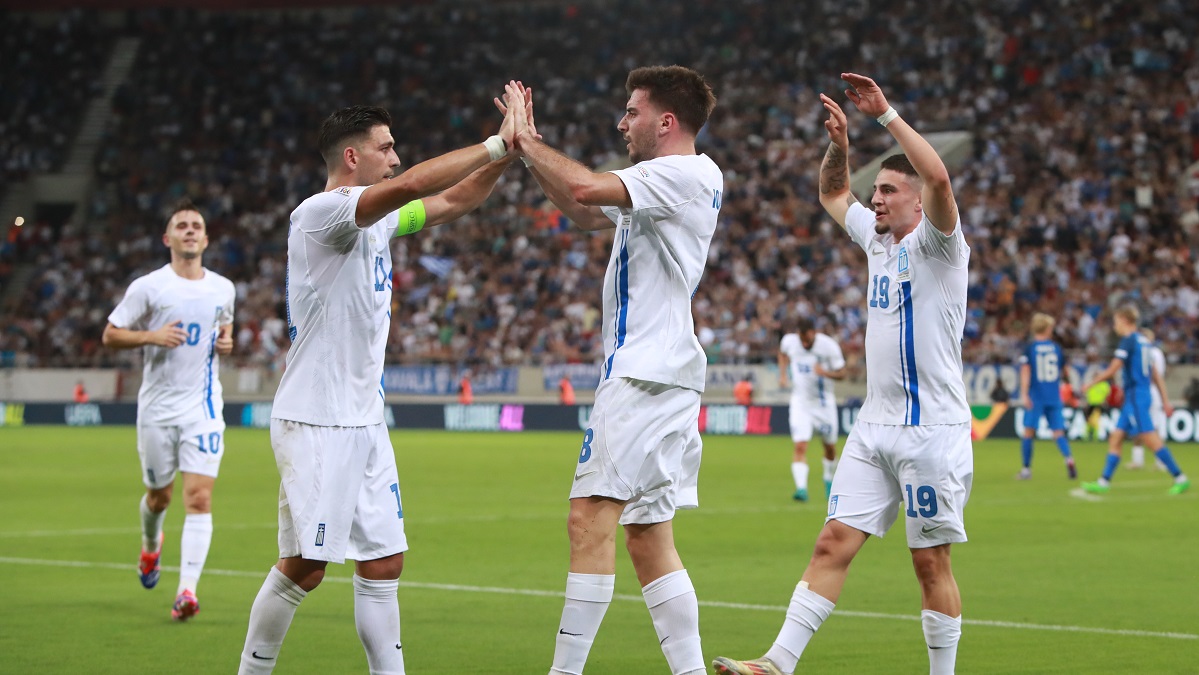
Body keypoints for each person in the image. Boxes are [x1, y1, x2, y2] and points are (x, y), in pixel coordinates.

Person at [237, 96, 521, 674]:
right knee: (305, 569)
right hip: (317, 418)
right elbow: (414, 184)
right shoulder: (321, 213)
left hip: (365, 419)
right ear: (352, 157)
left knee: (384, 562)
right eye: (385, 147)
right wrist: (493, 141)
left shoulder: (379, 219)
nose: (395, 158)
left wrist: (509, 153)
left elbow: (454, 200)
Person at [714, 73, 972, 675]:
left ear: (916, 202)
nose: (875, 199)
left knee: (929, 563)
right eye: (875, 189)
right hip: (874, 426)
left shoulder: (941, 246)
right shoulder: (876, 242)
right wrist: (840, 147)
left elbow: (939, 178)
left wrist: (886, 115)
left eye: (888, 190)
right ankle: (777, 662)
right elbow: (832, 193)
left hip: (931, 430)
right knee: (832, 541)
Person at [504, 66, 721, 675]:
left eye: (632, 111)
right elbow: (583, 212)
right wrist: (527, 154)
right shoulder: (665, 184)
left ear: (666, 121)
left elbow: (582, 189)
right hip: (666, 373)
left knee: (588, 520)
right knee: (649, 536)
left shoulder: (681, 172)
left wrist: (528, 141)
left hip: (643, 374)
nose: (622, 122)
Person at [102, 198, 235, 622]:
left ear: (206, 239)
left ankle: (186, 591)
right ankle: (150, 545)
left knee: (199, 497)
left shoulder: (223, 288)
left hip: (204, 408)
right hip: (158, 411)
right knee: (159, 498)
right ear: (168, 238)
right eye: (182, 225)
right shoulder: (149, 287)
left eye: (196, 225)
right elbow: (111, 335)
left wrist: (226, 342)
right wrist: (151, 336)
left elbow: (225, 326)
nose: (190, 230)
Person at [1080, 307, 1190, 495]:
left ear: (1124, 319)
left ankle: (1180, 477)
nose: (1115, 326)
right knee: (1116, 437)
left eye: (1116, 321)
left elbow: (1114, 368)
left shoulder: (1129, 341)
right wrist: (1165, 400)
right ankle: (1104, 481)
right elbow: (1155, 374)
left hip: (1136, 396)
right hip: (1139, 394)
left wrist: (1090, 383)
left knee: (1149, 438)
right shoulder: (1144, 342)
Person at [778, 317, 846, 501]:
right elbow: (782, 354)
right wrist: (783, 374)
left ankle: (828, 479)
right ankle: (801, 489)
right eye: (801, 339)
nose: (804, 343)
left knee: (829, 447)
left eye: (807, 339)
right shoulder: (790, 342)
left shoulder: (829, 346)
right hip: (801, 403)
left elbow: (842, 373)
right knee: (800, 445)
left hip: (824, 405)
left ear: (813, 332)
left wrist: (825, 373)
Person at [1016, 313, 1077, 480]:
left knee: (1029, 432)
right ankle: (1069, 459)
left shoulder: (1030, 348)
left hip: (1036, 396)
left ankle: (1026, 469)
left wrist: (1024, 394)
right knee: (1058, 432)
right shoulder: (1056, 348)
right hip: (1054, 396)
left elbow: (1025, 372)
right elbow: (1065, 371)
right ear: (1047, 329)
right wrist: (1069, 388)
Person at [1128, 328, 1166, 469]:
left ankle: (1139, 460)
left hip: (1144, 390)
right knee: (1153, 426)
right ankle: (1160, 461)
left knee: (1141, 425)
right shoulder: (1158, 353)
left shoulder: (1143, 352)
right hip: (1154, 391)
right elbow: (1160, 374)